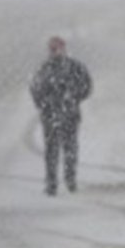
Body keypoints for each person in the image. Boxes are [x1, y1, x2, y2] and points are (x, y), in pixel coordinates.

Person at [30, 37, 92, 196]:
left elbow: (87, 86)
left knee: (70, 149)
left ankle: (70, 180)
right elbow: (35, 89)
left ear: (64, 49)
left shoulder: (75, 67)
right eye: (52, 48)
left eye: (58, 48)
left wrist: (73, 98)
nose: (55, 51)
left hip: (70, 115)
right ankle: (52, 184)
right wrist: (45, 105)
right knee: (51, 151)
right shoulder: (44, 69)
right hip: (50, 117)